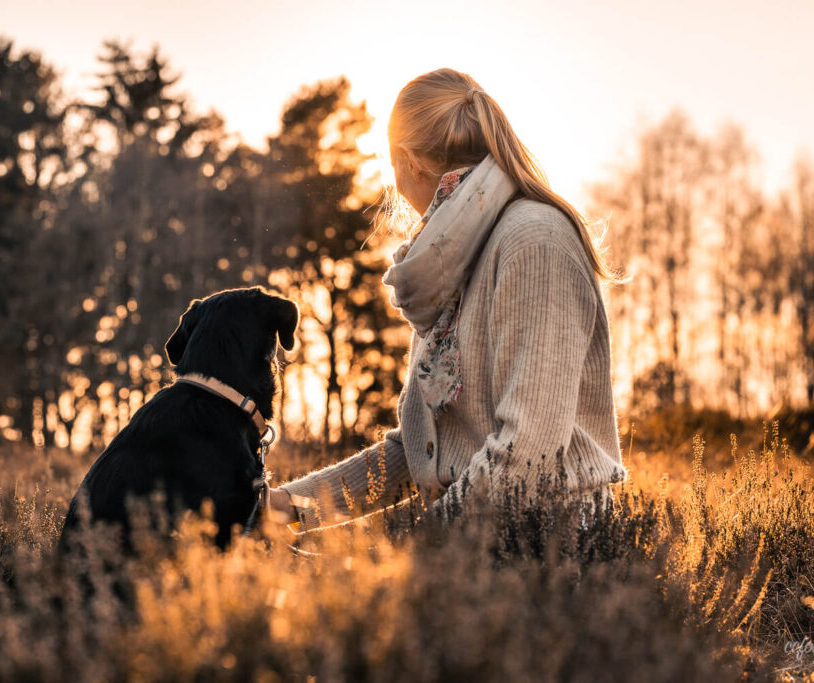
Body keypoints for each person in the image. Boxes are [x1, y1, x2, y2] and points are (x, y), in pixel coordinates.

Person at [268, 68, 628, 531]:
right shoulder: (446, 266)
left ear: (404, 161)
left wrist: (395, 543)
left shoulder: (535, 242)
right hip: (469, 540)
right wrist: (291, 507)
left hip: (552, 550)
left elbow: (527, 457)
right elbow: (417, 453)